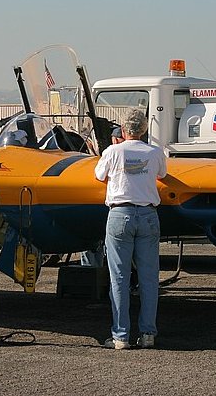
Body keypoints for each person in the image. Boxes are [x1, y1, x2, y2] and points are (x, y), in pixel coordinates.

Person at [94, 109, 167, 350]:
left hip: (119, 214)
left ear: (123, 130)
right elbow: (162, 174)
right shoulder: (154, 152)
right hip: (148, 215)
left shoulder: (112, 151)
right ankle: (148, 334)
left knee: (119, 277)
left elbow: (99, 175)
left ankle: (120, 336)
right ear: (144, 130)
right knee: (149, 278)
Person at [79, 127, 125, 268]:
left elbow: (99, 174)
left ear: (114, 139)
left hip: (110, 206)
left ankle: (92, 271)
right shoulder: (140, 152)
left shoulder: (111, 152)